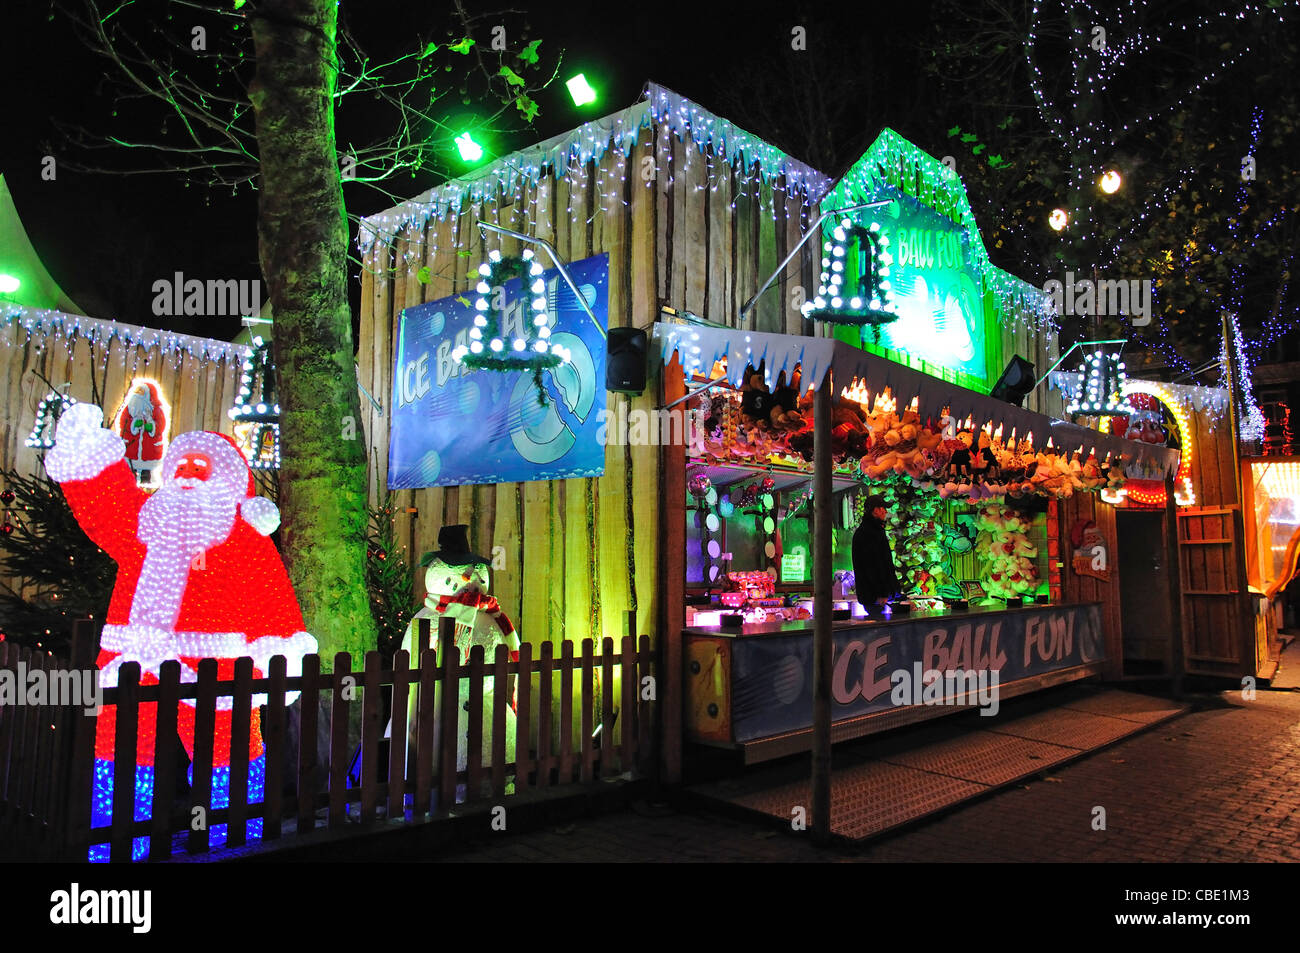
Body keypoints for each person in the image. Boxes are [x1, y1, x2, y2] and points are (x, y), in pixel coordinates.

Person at [852, 494, 899, 612]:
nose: (885, 511)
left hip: (877, 596)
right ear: (875, 510)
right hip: (876, 597)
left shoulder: (873, 530)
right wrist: (881, 593)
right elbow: (872, 565)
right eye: (883, 508)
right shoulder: (869, 532)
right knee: (879, 622)